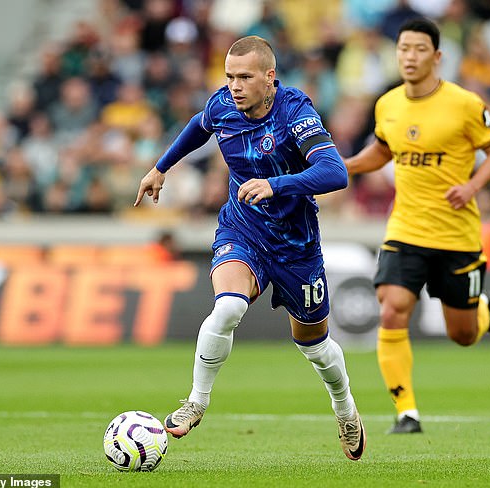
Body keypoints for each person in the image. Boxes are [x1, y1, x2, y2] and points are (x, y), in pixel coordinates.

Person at [134, 35, 365, 460]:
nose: (234, 86)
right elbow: (197, 127)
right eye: (229, 76)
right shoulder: (223, 104)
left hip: (297, 247)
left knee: (313, 346)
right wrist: (160, 167)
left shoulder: (296, 111)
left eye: (244, 77)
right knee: (228, 307)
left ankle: (345, 408)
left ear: (269, 78)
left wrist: (276, 185)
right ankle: (196, 402)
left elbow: (335, 173)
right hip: (243, 231)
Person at [344, 18, 490, 434]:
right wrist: (336, 168)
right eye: (403, 49)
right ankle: (406, 411)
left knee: (463, 334)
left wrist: (472, 186)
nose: (410, 57)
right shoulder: (388, 104)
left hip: (456, 235)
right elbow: (380, 152)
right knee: (392, 307)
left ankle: (483, 313)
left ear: (437, 57)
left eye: (419, 49)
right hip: (406, 229)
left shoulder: (466, 104)